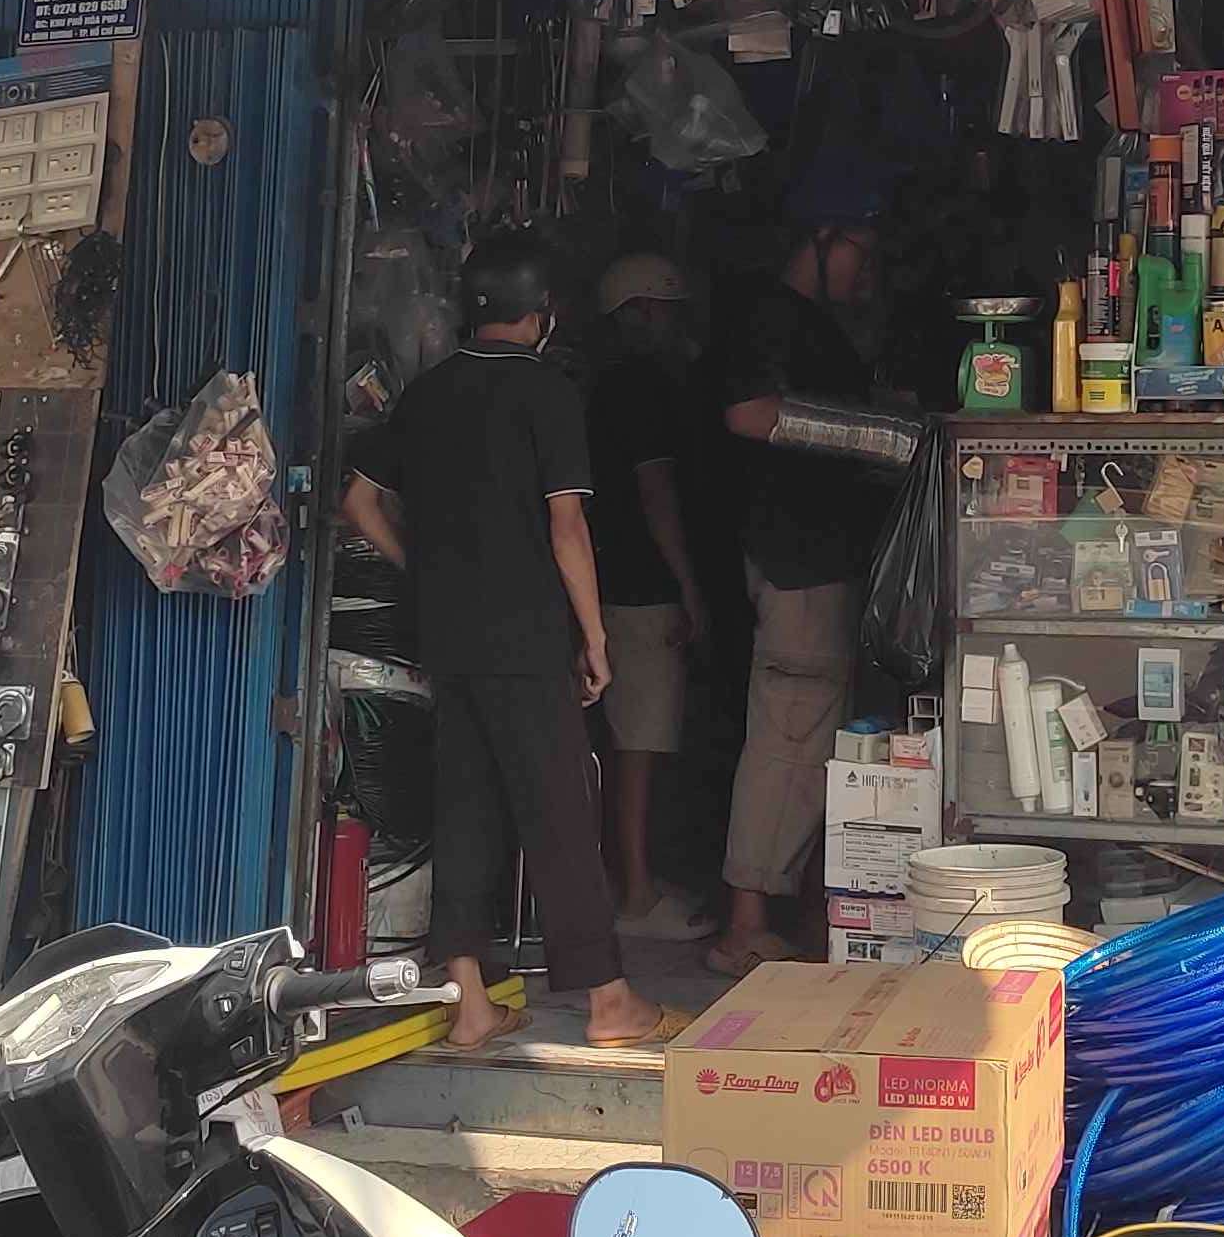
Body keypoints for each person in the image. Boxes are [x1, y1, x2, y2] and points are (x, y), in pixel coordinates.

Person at [339, 229, 674, 1052]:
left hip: (447, 636)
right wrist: (595, 636)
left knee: (465, 809)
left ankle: (470, 1005)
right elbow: (568, 526)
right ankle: (608, 1001)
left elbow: (358, 503)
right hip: (525, 638)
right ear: (543, 314)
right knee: (558, 808)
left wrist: (423, 568)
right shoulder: (547, 392)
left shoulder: (428, 392)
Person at [710, 210, 885, 976]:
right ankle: (744, 924)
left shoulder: (810, 322)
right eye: (859, 250)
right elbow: (749, 413)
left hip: (819, 562)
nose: (866, 271)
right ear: (821, 235)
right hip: (796, 564)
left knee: (814, 743)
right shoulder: (767, 318)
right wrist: (890, 436)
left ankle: (795, 909)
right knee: (788, 737)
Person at [584, 250, 710, 931]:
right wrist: (689, 588)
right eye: (665, 310)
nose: (674, 323)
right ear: (638, 313)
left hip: (618, 579)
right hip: (641, 587)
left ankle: (634, 880)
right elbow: (657, 493)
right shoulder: (641, 390)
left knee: (635, 739)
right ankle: (634, 894)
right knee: (639, 744)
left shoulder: (607, 387)